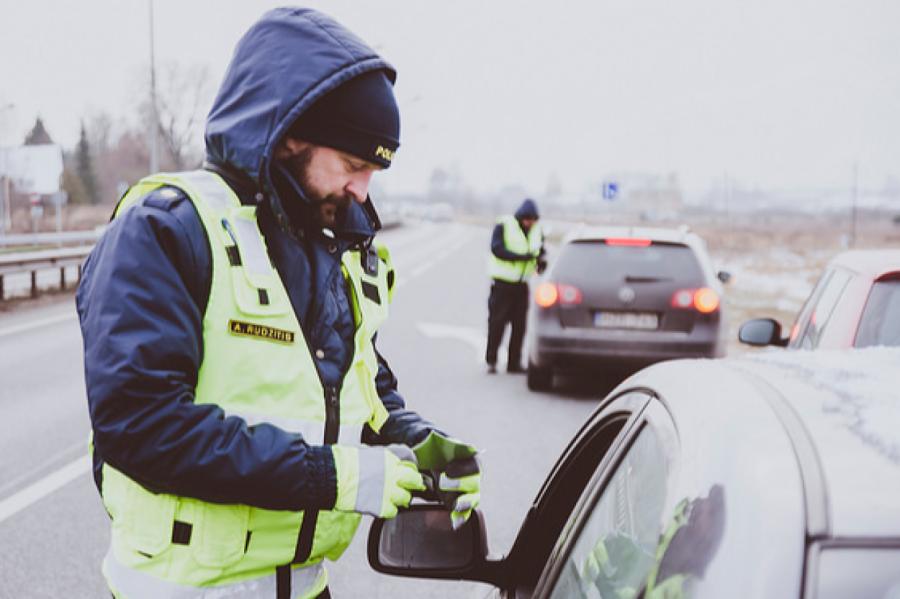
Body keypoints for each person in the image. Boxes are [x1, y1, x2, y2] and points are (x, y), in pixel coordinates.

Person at [76, 8, 480, 598]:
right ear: (290, 135)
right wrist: (336, 477)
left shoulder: (334, 244)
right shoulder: (168, 230)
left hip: (306, 588)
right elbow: (139, 425)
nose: (362, 190)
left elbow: (357, 391)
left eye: (375, 170)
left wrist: (420, 445)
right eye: (352, 165)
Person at [485, 198, 546, 374]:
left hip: (521, 286)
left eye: (533, 220)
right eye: (528, 220)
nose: (530, 223)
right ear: (521, 217)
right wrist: (522, 257)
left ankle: (514, 363)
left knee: (519, 326)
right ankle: (492, 361)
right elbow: (496, 249)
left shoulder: (537, 231)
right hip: (502, 285)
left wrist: (541, 263)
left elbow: (540, 252)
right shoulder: (504, 225)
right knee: (497, 324)